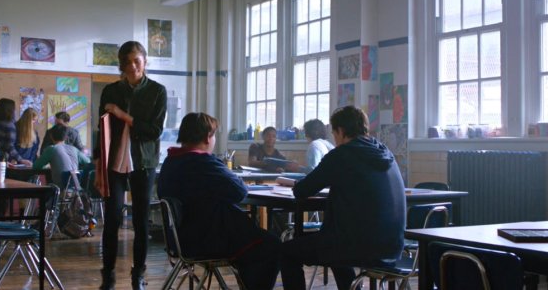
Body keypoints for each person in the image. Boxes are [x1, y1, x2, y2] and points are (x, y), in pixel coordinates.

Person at [280, 106, 407, 290]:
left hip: (357, 245)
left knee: (287, 251)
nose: (335, 139)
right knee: (337, 245)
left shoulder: (341, 155)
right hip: (392, 245)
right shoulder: (385, 152)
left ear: (340, 131)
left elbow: (302, 191)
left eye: (334, 134)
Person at [158, 112, 280, 289]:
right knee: (271, 245)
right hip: (208, 240)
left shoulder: (171, 161)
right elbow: (239, 192)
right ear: (208, 137)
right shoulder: (202, 162)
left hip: (180, 239)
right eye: (214, 135)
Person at [94, 40, 166, 290]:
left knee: (141, 221)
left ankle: (138, 275)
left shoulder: (157, 91)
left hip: (143, 163)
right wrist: (97, 166)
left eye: (137, 60)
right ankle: (109, 275)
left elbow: (154, 131)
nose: (133, 66)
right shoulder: (111, 90)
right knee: (112, 219)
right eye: (127, 62)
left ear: (145, 62)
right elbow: (100, 131)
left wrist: (123, 115)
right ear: (121, 65)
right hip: (113, 163)